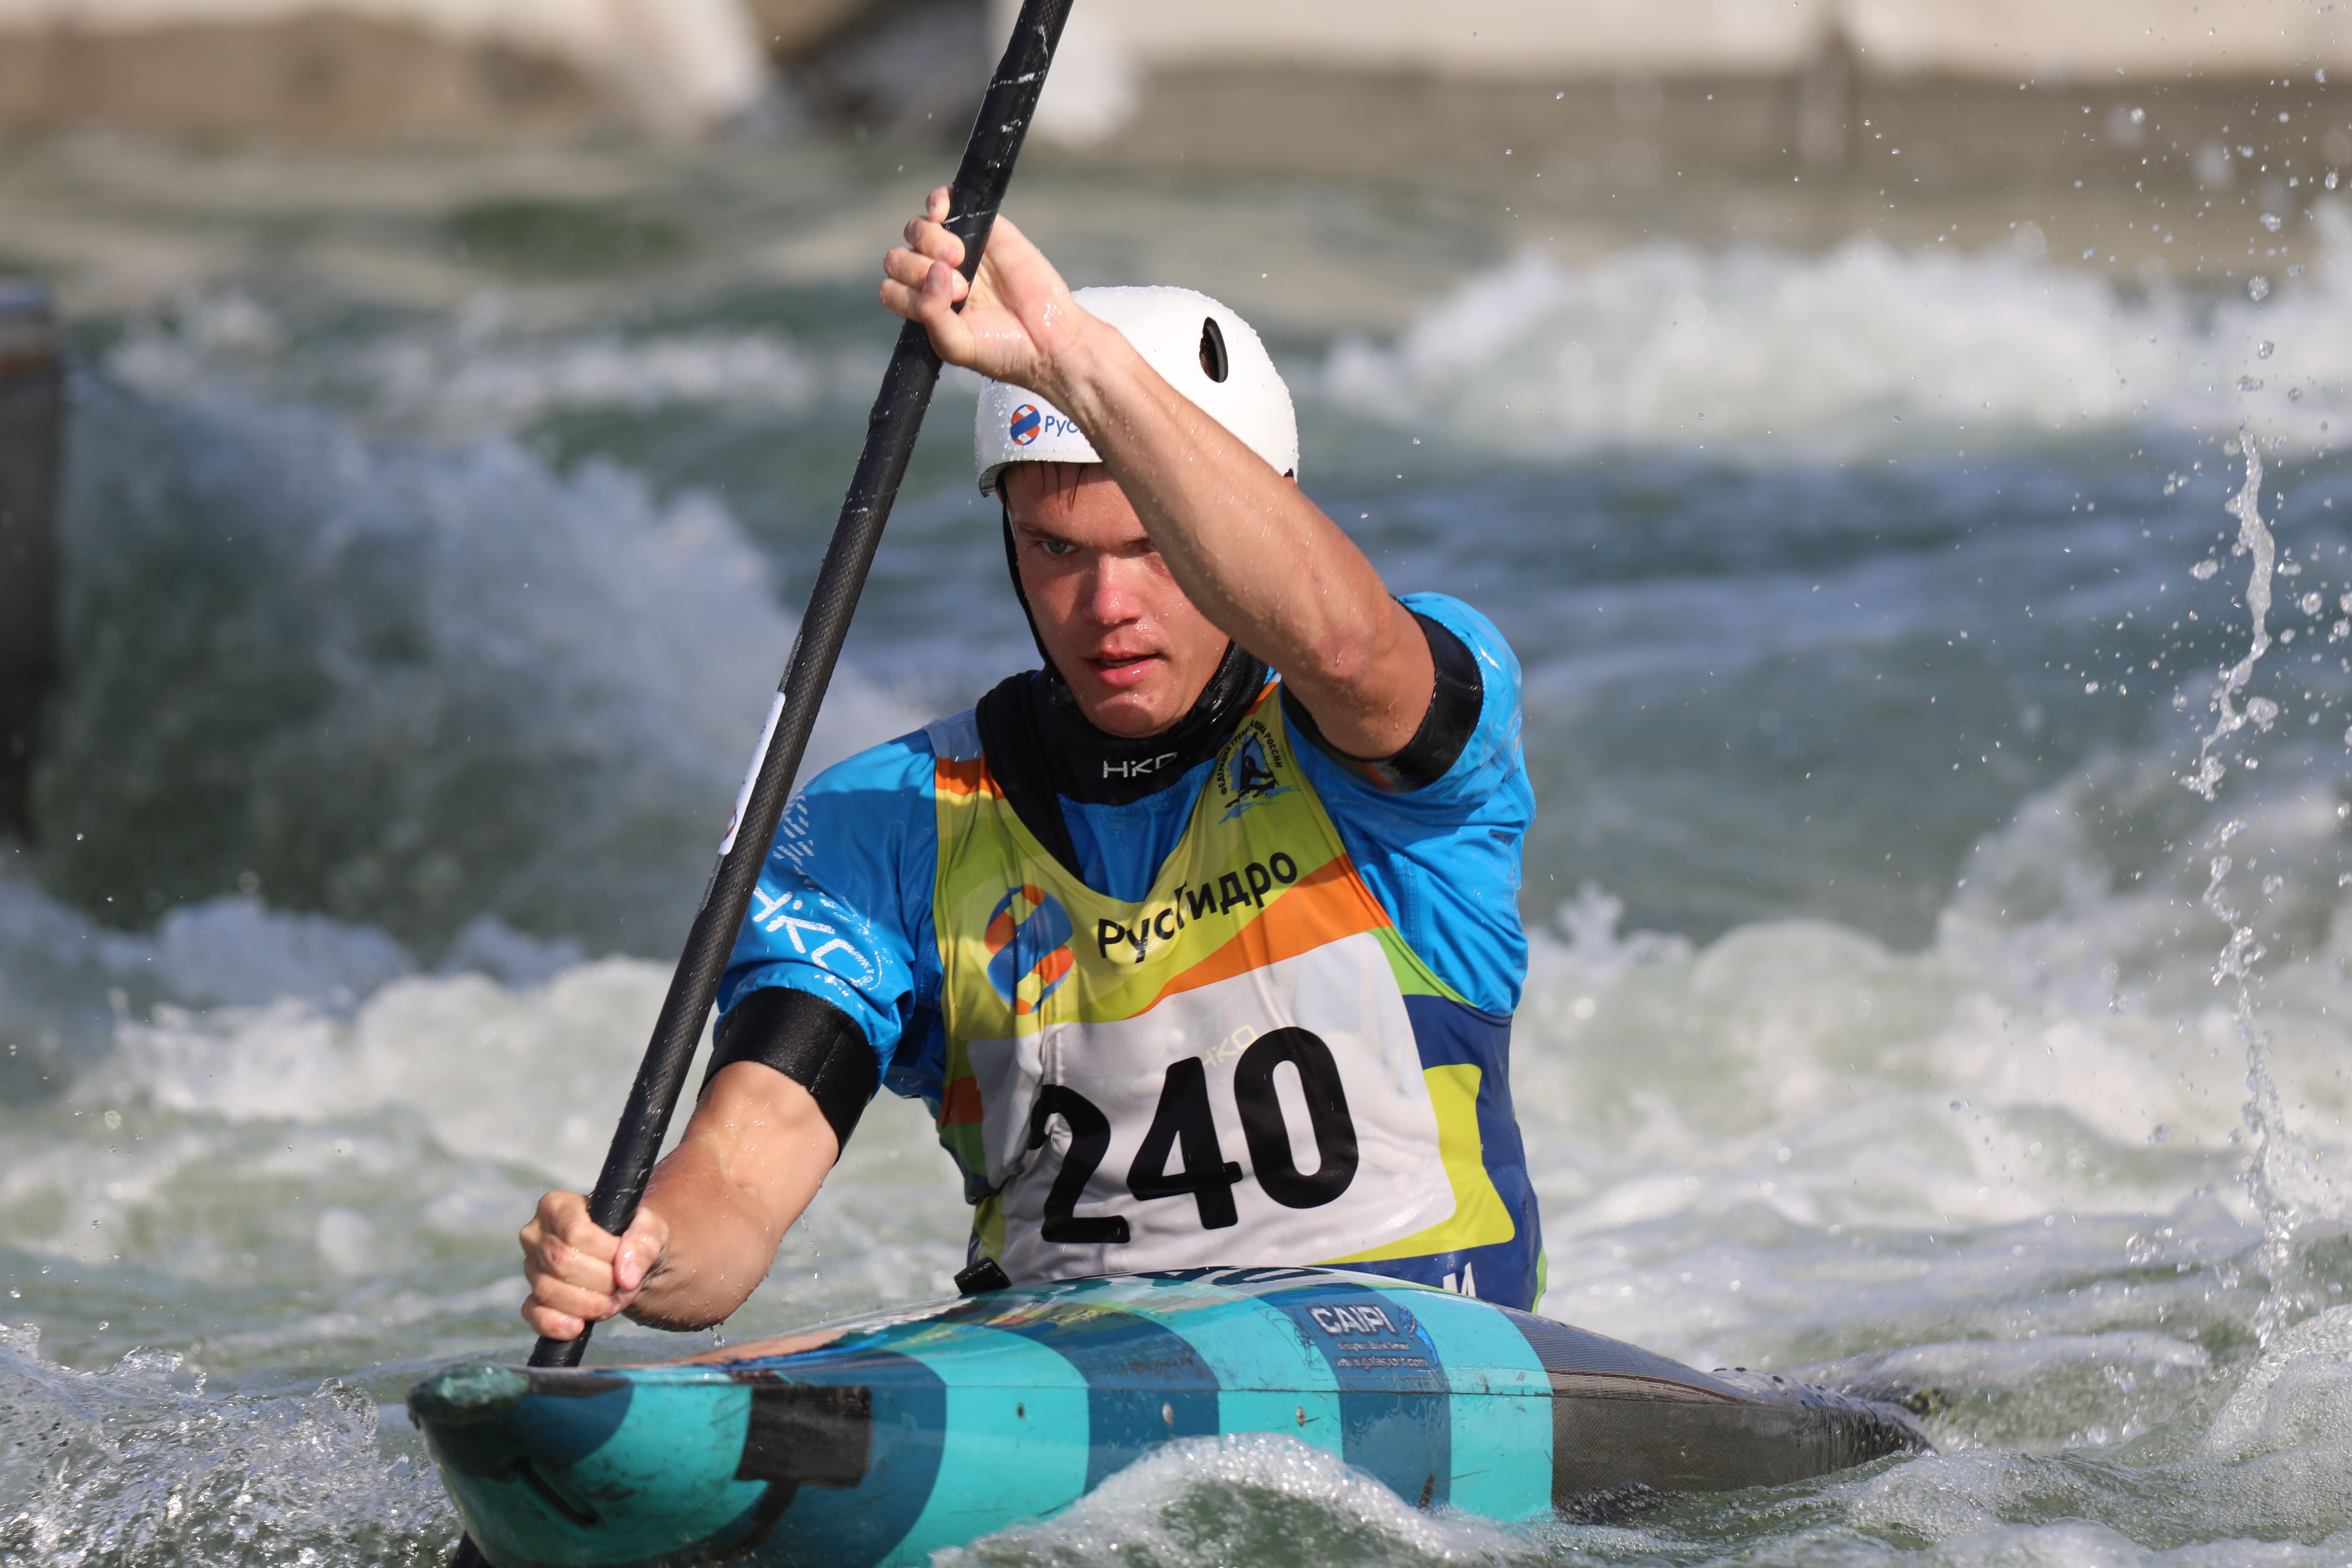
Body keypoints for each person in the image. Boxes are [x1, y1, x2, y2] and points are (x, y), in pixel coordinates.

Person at [517, 188, 1542, 1340]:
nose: (1108, 606)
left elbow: (1343, 646)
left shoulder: (1388, 737)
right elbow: (743, 1175)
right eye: (1055, 549)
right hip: (1066, 1376)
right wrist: (642, 1253)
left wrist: (1075, 363)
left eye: (1155, 546)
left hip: (1420, 1354)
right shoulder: (888, 827)